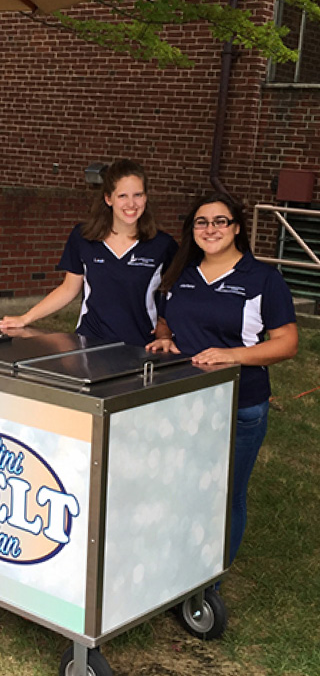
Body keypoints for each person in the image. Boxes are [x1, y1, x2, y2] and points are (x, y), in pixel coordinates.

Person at [147, 191, 298, 563]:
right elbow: (164, 319)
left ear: (236, 228)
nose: (210, 228)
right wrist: (165, 338)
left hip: (240, 403)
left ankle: (211, 573)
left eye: (220, 221)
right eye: (201, 221)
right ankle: (177, 559)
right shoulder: (180, 273)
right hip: (183, 399)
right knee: (180, 484)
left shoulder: (262, 278)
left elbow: (287, 342)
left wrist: (233, 355)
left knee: (226, 491)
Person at [0, 159, 177, 347]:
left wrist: (166, 327)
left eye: (138, 195)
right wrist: (25, 318)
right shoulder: (83, 237)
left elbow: (179, 294)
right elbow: (68, 289)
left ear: (146, 197)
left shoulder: (163, 244)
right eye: (122, 196)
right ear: (108, 198)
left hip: (140, 347)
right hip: (89, 344)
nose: (131, 204)